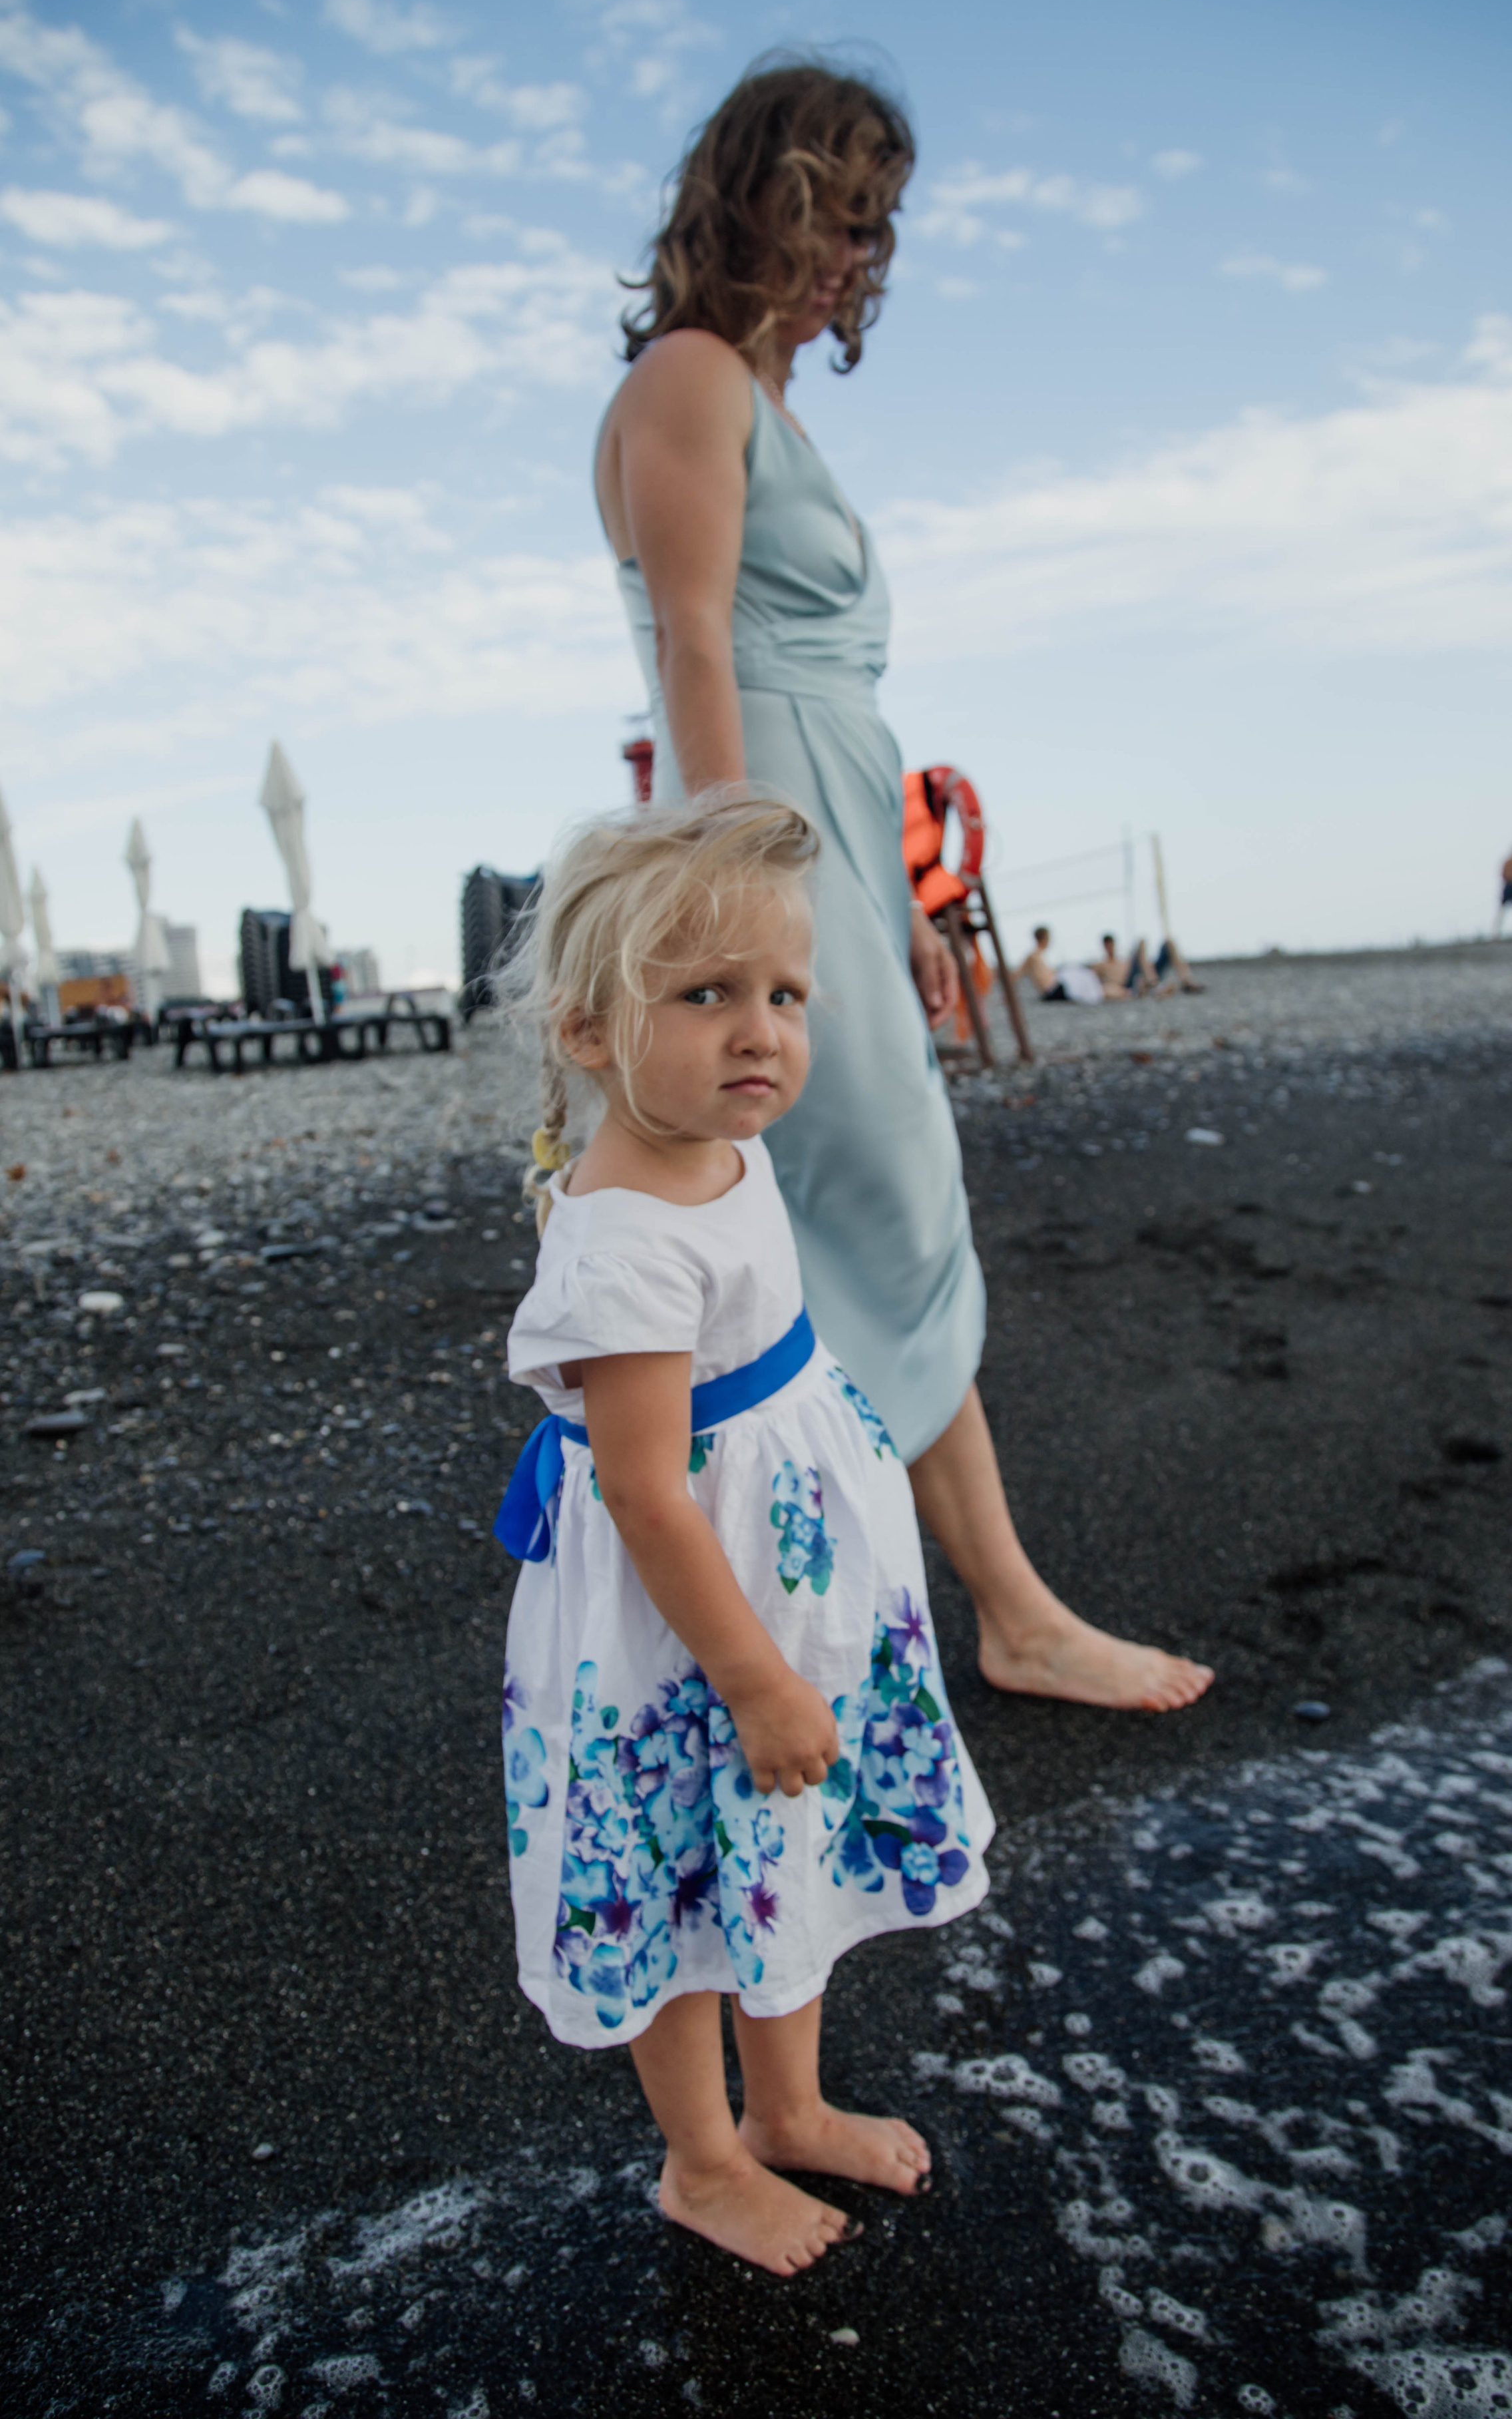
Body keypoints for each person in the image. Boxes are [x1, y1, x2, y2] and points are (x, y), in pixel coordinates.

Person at [594, 55, 1210, 1716]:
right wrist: (746, 894)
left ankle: (845, 1605)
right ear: (767, 205)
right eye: (841, 220)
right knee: (885, 1204)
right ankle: (998, 1614)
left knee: (862, 1215)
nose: (860, 262)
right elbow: (703, 645)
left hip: (836, 827)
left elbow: (825, 695)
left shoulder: (761, 400)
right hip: (767, 833)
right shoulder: (690, 375)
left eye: (875, 232)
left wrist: (907, 899)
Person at [496, 794, 993, 2277]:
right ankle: (703, 2161)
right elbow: (648, 1493)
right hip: (685, 1624)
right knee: (672, 1863)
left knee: (775, 1841)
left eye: (782, 996)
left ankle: (785, 2108)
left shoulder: (721, 1142)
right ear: (590, 1036)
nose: (757, 1032)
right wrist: (756, 1678)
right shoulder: (623, 1239)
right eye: (704, 996)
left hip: (777, 1573)